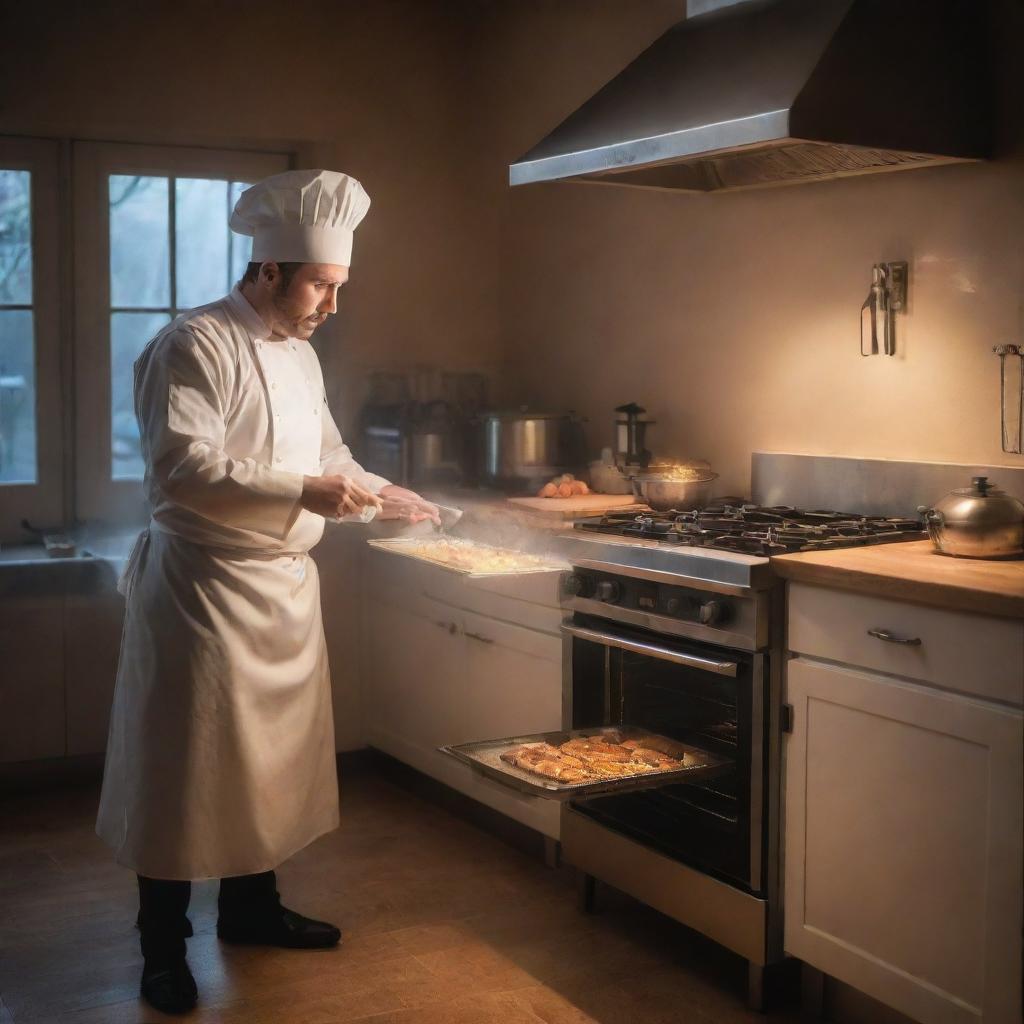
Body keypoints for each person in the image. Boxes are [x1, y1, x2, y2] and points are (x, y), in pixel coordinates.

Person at [96, 169, 437, 1015]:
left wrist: (382, 493)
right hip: (203, 592)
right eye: (322, 284)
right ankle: (164, 947)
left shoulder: (303, 355)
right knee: (182, 771)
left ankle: (252, 909)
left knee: (267, 769)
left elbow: (332, 456)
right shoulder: (193, 345)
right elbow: (183, 467)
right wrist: (303, 491)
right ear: (271, 271)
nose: (332, 303)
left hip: (283, 592)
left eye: (339, 286)